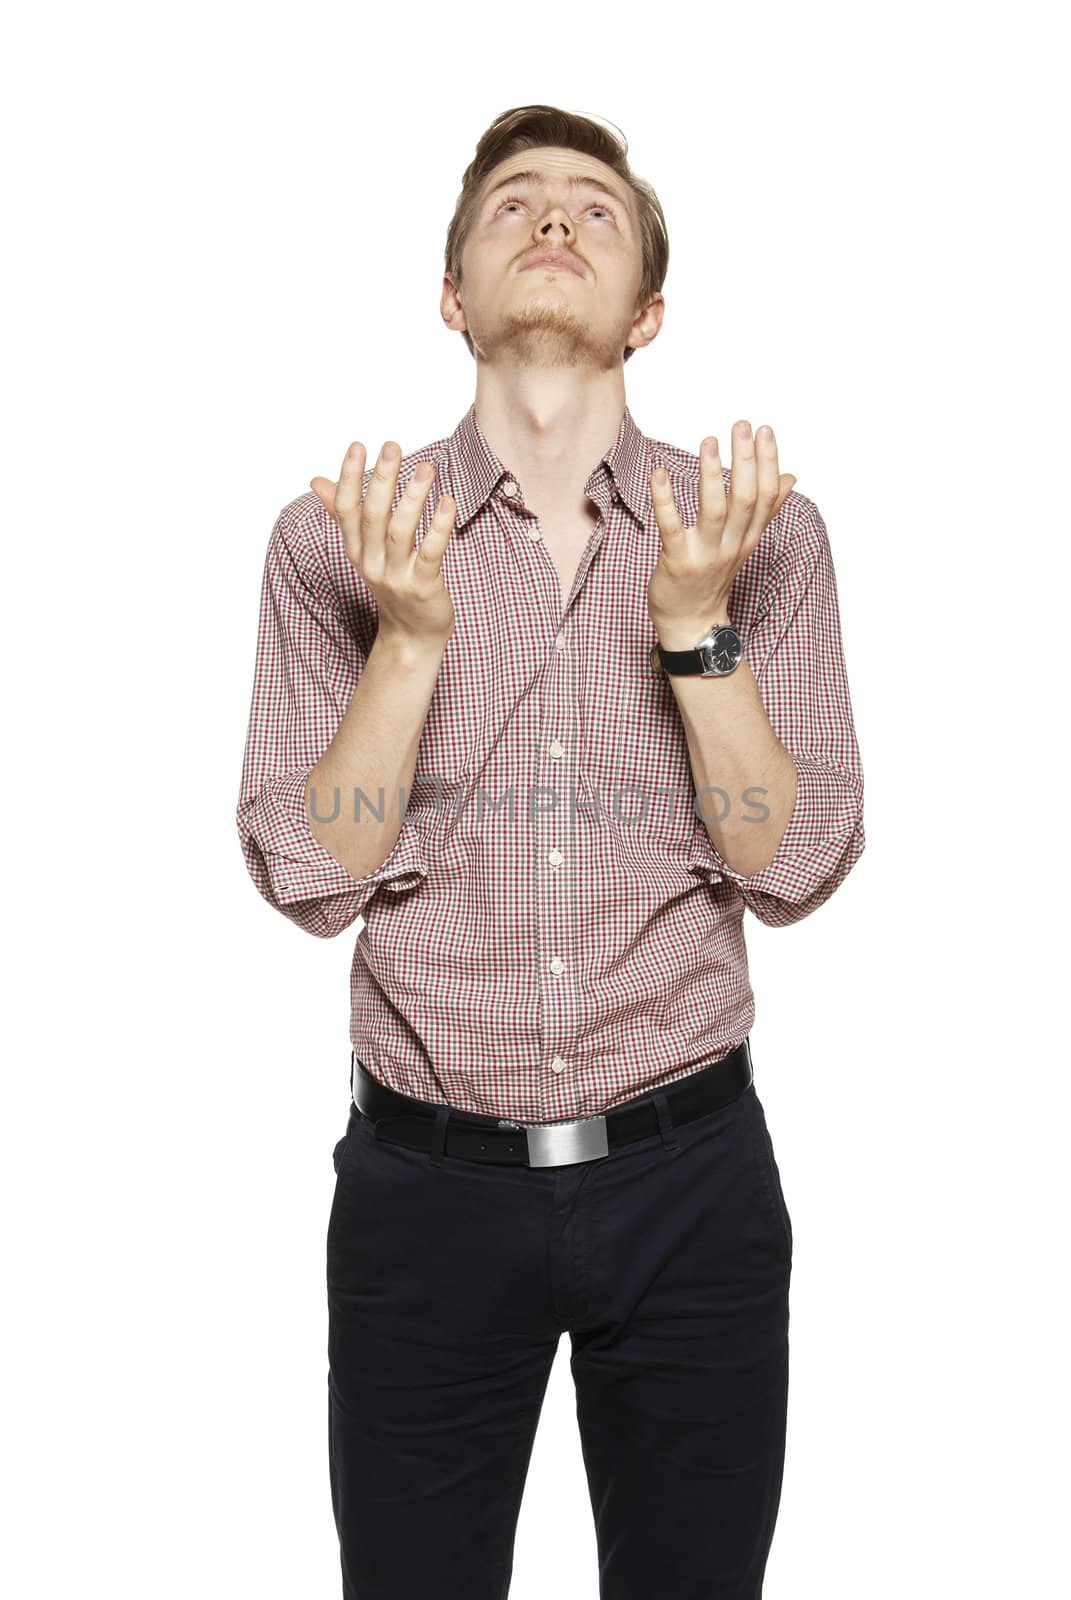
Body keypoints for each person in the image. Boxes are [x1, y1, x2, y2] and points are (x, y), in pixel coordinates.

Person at [236, 103, 865, 1600]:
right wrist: (412, 644)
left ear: (646, 309)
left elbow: (791, 863)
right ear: (452, 295)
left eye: (595, 205)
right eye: (514, 203)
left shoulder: (761, 535)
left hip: (689, 1182)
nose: (555, 219)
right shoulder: (339, 544)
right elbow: (315, 875)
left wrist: (693, 622)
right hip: (426, 1193)